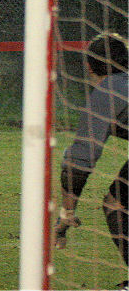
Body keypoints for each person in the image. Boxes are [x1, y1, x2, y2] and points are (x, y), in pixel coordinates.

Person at [54, 32, 127, 284]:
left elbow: (80, 162)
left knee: (116, 205)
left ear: (88, 66)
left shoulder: (106, 93)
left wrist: (66, 213)